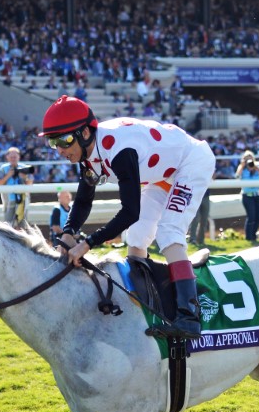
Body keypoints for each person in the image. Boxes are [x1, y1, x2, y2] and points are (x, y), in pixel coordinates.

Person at [40, 95, 215, 339]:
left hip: (190, 162)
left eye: (64, 140)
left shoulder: (120, 150)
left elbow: (130, 211)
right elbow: (83, 200)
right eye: (53, 142)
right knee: (136, 235)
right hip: (163, 175)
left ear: (85, 133)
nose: (59, 149)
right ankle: (146, 306)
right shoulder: (88, 154)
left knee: (168, 231)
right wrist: (68, 234)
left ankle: (189, 317)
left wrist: (88, 243)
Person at [0, 146, 34, 228]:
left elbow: (30, 183)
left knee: (23, 225)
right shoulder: (3, 168)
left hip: (22, 200)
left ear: (19, 157)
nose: (13, 158)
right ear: (7, 157)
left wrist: (24, 177)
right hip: (9, 200)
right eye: (11, 157)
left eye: (15, 157)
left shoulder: (24, 167)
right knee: (8, 225)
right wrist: (8, 175)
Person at [237, 150, 259, 242]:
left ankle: (254, 236)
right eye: (247, 160)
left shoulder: (258, 165)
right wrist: (242, 166)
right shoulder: (242, 168)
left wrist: (256, 168)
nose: (249, 162)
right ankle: (249, 237)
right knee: (251, 216)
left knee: (258, 216)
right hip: (247, 196)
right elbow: (237, 176)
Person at [188, 169, 214, 246]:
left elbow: (213, 178)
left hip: (206, 196)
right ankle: (192, 239)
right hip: (196, 196)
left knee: (204, 219)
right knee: (196, 218)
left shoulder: (208, 166)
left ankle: (201, 240)